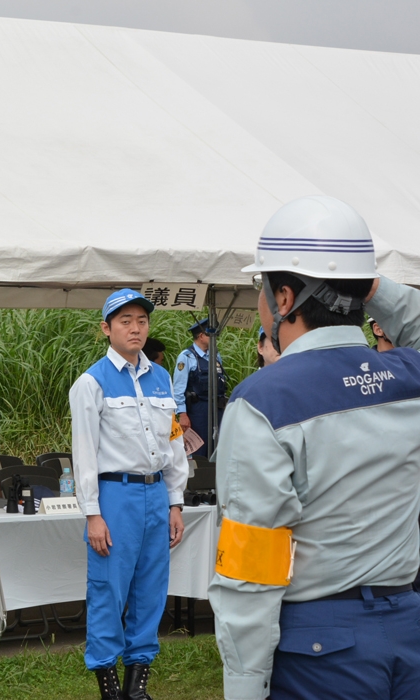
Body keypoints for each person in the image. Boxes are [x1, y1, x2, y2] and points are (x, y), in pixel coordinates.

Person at [208, 195, 420, 700]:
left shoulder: (264, 401)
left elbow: (251, 568)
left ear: (284, 299)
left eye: (259, 288)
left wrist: (243, 685)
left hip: (321, 647)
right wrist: (370, 287)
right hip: (408, 632)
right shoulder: (407, 379)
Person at [69, 289, 187, 700]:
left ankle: (137, 685)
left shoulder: (161, 377)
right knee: (108, 588)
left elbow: (173, 446)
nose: (135, 328)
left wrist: (175, 501)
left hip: (155, 495)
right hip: (113, 495)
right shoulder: (91, 382)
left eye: (141, 320)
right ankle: (108, 685)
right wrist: (92, 513)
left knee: (151, 588)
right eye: (125, 321)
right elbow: (83, 453)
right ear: (107, 328)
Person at [172, 318, 228, 456]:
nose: (215, 339)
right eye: (211, 335)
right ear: (202, 336)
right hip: (198, 411)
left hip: (217, 409)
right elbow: (178, 389)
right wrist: (182, 414)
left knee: (218, 448)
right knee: (199, 450)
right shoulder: (186, 357)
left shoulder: (215, 356)